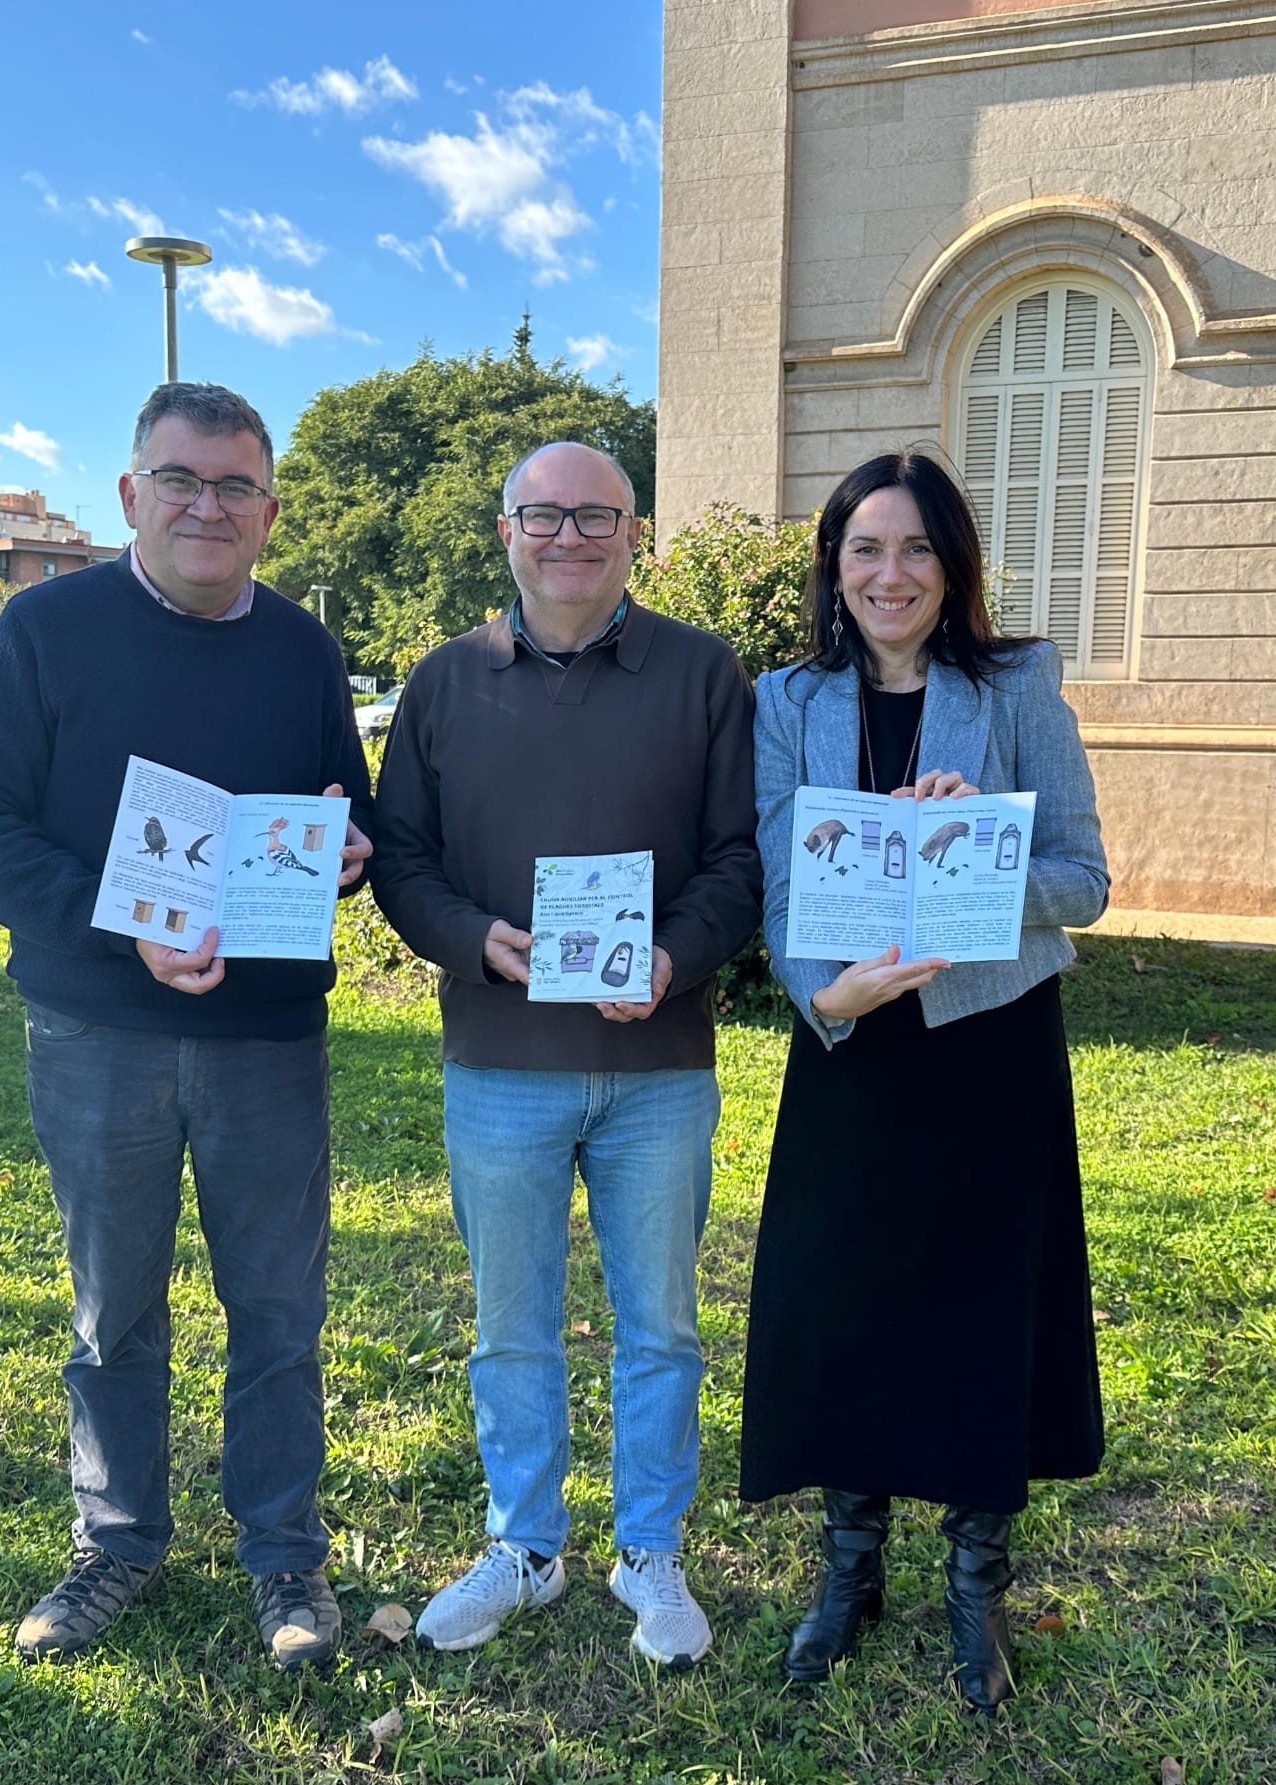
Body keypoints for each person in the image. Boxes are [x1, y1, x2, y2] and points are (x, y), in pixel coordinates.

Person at [0, 382, 373, 1672]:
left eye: (234, 486)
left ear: (269, 512)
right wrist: (122, 927)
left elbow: (349, 811)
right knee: (113, 1311)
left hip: (267, 1043)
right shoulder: (44, 629)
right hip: (94, 1033)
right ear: (130, 494)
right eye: (180, 480)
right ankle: (116, 1542)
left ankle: (285, 1560)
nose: (205, 506)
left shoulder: (303, 651)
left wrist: (349, 848)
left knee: (277, 1314)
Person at [370, 442, 761, 1668]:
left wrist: (674, 958)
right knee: (509, 1328)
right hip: (497, 1060)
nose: (569, 536)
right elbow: (399, 860)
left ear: (632, 533)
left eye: (596, 514)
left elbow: (740, 857)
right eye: (543, 515)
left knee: (661, 1328)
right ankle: (524, 1547)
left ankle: (650, 1552)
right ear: (503, 534)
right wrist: (475, 941)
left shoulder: (703, 675)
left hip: (659, 1069)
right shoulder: (441, 684)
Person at [742, 450, 1109, 1709]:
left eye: (912, 550)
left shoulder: (1012, 688)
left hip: (984, 1054)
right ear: (831, 568)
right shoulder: (785, 698)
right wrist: (822, 997)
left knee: (976, 1305)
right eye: (862, 550)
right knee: (847, 1300)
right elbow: (784, 884)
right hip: (851, 1049)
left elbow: (1086, 883)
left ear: (950, 566)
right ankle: (848, 1569)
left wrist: (973, 850)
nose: (886, 574)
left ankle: (973, 1585)